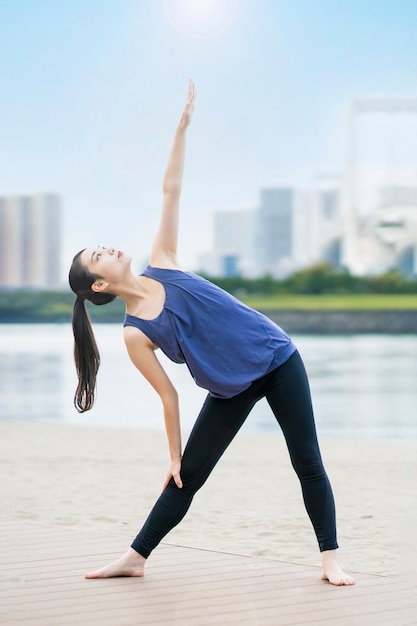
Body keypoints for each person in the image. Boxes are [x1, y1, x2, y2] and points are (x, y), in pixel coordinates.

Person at [68, 80, 355, 586]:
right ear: (98, 283)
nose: (108, 248)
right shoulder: (137, 334)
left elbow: (170, 190)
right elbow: (168, 397)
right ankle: (135, 557)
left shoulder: (164, 261)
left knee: (306, 458)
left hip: (277, 357)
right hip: (230, 386)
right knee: (187, 476)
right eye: (98, 255)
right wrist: (175, 454)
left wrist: (180, 130)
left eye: (102, 246)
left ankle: (331, 558)